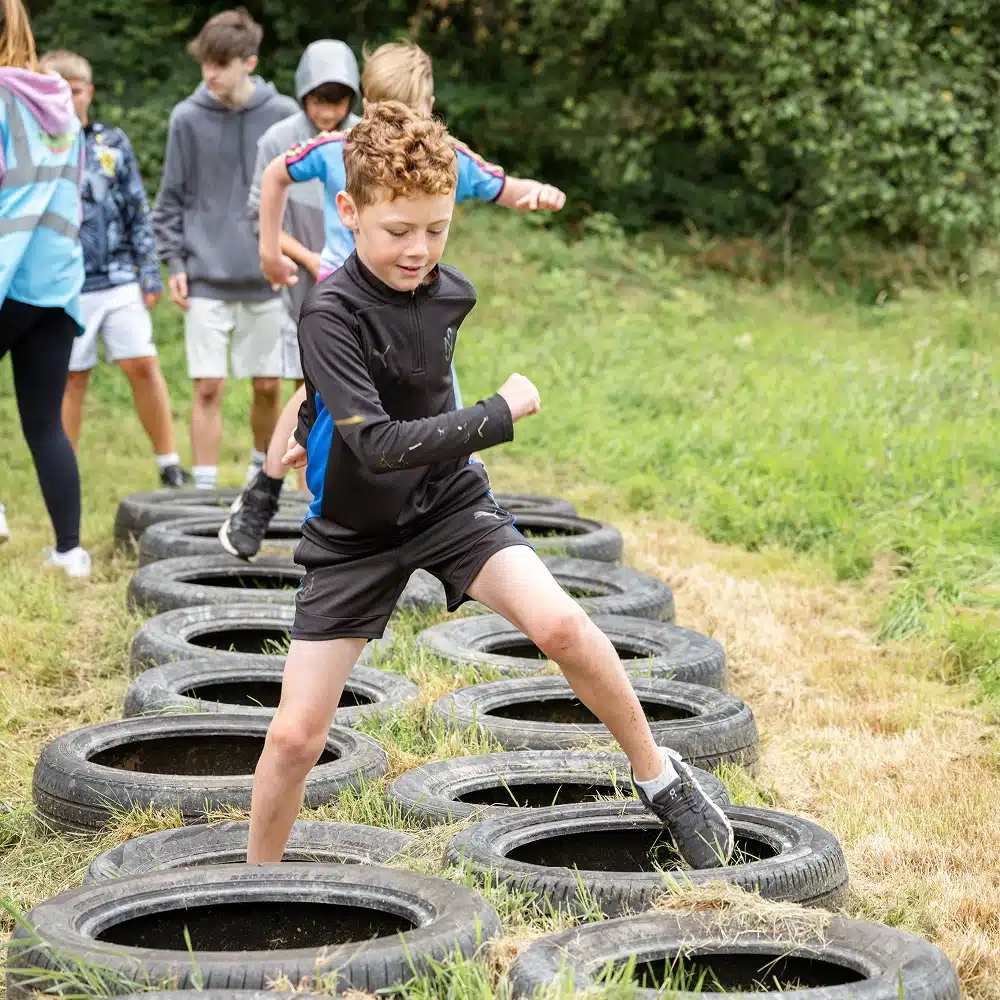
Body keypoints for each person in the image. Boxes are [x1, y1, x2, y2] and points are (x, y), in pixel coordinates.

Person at [246, 102, 734, 871]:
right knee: (295, 736)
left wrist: (460, 443)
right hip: (355, 531)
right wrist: (495, 415)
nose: (419, 250)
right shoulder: (328, 311)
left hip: (447, 503)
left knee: (565, 627)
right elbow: (374, 445)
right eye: (397, 231)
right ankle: (256, 882)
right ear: (349, 212)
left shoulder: (450, 293)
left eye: (436, 228)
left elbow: (418, 391)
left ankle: (663, 779)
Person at [219, 39, 566, 559]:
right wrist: (271, 250)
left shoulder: (443, 157)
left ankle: (469, 510)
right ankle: (262, 496)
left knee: (437, 390)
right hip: (347, 301)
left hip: (413, 303)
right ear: (367, 105)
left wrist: (535, 192)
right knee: (312, 398)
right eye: (385, 112)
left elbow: (502, 186)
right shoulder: (344, 148)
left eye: (412, 113)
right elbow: (275, 175)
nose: (400, 126)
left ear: (429, 109)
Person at [151, 7, 298, 492]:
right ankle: (206, 490)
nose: (210, 74)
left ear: (249, 62)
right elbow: (170, 197)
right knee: (207, 386)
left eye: (221, 64)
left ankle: (262, 476)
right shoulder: (185, 118)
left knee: (267, 386)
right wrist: (173, 260)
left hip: (268, 277)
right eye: (205, 64)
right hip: (206, 274)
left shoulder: (283, 117)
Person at [39, 50, 191, 488]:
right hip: (65, 281)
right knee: (71, 377)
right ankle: (61, 473)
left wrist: (149, 270)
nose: (69, 99)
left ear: (90, 92)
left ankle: (169, 463)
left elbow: (137, 210)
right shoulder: (40, 145)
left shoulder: (113, 143)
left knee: (142, 363)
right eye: (59, 91)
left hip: (119, 276)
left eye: (76, 90)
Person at [243, 39, 362, 497]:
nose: (328, 113)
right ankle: (296, 481)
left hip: (350, 282)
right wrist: (308, 259)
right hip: (293, 277)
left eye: (338, 102)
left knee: (341, 384)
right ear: (302, 94)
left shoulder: (365, 138)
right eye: (319, 101)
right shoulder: (278, 139)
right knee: (301, 381)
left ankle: (333, 481)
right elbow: (261, 215)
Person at [0, 0, 90, 577]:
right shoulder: (59, 103)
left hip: (7, 274)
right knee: (44, 421)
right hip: (56, 283)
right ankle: (70, 552)